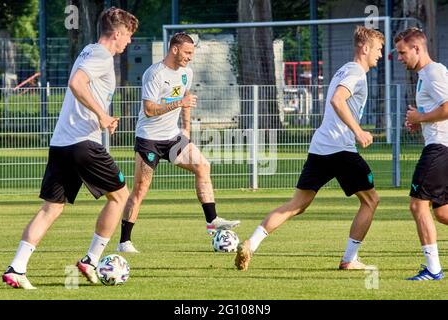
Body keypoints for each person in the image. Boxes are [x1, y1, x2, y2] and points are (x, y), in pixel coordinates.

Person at [2, 7, 138, 289]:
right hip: (82, 144)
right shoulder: (101, 55)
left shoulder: (88, 50)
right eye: (128, 36)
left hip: (62, 143)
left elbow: (81, 87)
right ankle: (91, 260)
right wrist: (101, 115)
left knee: (51, 208)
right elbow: (76, 84)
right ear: (117, 33)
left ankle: (17, 267)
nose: (129, 42)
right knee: (121, 196)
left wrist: (101, 117)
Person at [235, 26, 383, 271]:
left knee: (297, 205)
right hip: (341, 149)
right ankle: (350, 259)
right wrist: (358, 131)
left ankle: (251, 243)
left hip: (321, 147)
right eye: (378, 49)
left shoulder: (344, 69)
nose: (380, 54)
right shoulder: (356, 72)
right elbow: (337, 100)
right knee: (371, 201)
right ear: (365, 48)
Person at [116, 32, 240, 253]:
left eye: (192, 53)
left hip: (173, 137)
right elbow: (149, 109)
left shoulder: (186, 73)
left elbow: (187, 101)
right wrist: (179, 103)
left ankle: (212, 221)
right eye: (187, 52)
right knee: (140, 190)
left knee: (203, 165)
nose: (190, 57)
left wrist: (186, 131)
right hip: (149, 140)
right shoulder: (154, 74)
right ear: (174, 49)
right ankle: (124, 241)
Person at [396, 27, 448, 281]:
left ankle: (433, 270)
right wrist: (420, 121)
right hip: (441, 146)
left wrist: (421, 116)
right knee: (443, 212)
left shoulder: (433, 72)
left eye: (402, 52)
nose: (399, 57)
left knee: (418, 204)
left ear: (417, 48)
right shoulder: (425, 75)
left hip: (440, 148)